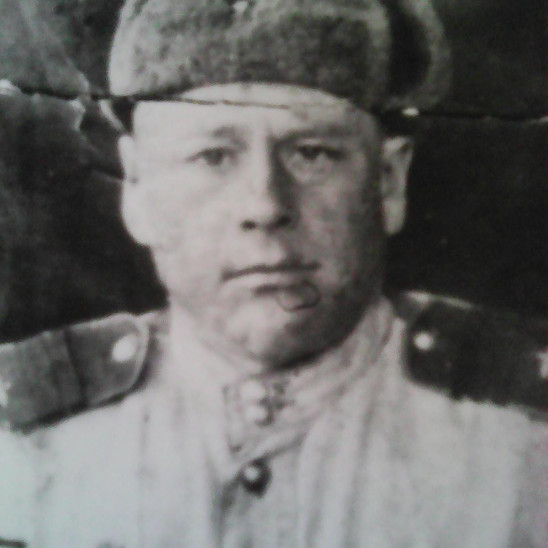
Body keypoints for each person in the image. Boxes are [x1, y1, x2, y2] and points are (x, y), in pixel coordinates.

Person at [0, 1, 546, 546]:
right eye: (213, 156)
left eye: (312, 153)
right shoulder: (24, 448)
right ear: (139, 188)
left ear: (388, 181)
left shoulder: (524, 445)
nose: (264, 205)